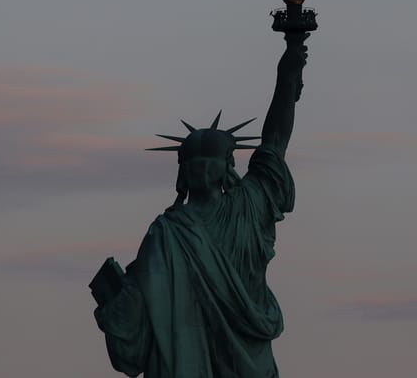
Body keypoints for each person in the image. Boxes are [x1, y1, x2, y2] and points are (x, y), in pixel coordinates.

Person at [92, 31, 310, 378]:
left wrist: (112, 299)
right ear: (229, 167)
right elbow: (276, 139)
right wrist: (292, 56)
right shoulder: (249, 208)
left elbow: (133, 319)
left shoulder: (166, 234)